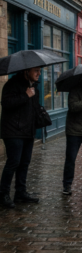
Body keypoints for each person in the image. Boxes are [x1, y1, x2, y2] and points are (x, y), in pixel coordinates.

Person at [0, 68, 42, 208]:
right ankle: (3, 194)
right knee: (13, 162)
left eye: (40, 71)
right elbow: (6, 104)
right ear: (27, 71)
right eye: (36, 71)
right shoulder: (12, 84)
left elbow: (34, 107)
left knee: (24, 163)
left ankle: (20, 193)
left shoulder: (34, 86)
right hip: (13, 131)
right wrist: (25, 95)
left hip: (28, 131)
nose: (39, 74)